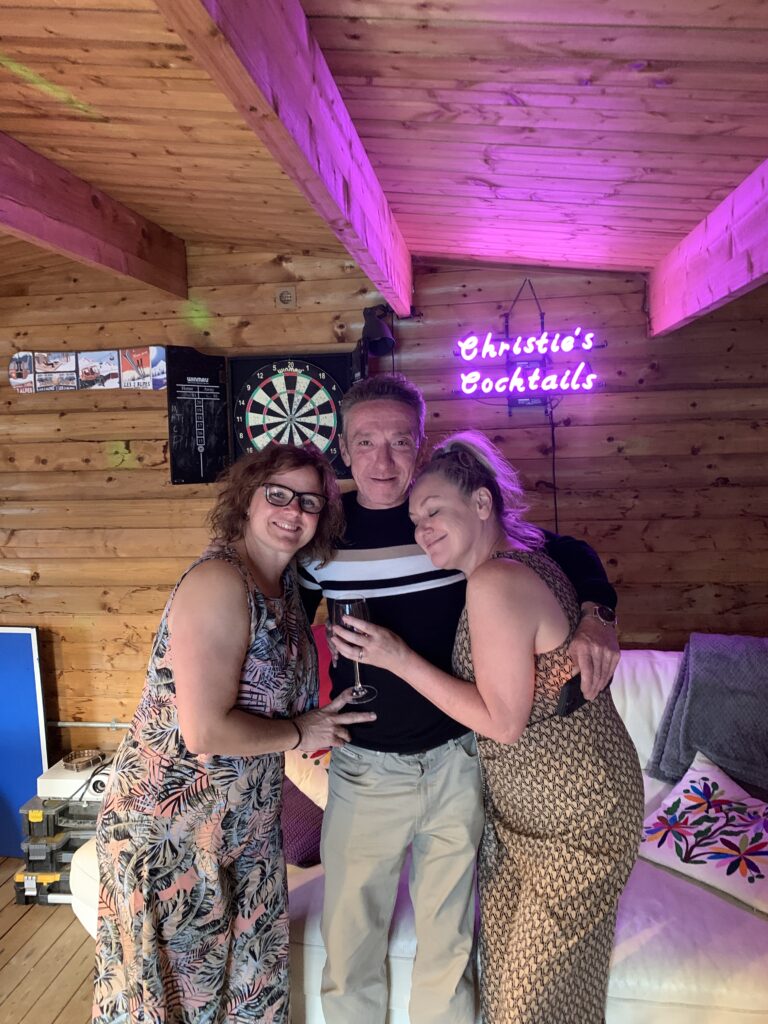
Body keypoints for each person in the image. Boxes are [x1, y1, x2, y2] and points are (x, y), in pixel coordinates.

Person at [297, 375, 621, 1024]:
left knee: (449, 948)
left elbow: (564, 549)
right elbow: (282, 631)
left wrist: (598, 612)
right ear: (344, 449)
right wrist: (297, 722)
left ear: (420, 446)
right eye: (366, 442)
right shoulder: (322, 538)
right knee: (350, 948)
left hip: (459, 762)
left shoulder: (450, 516)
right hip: (366, 769)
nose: (382, 460)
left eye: (399, 442)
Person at [92, 444, 375, 1024]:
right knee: (182, 1007)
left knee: (250, 1002)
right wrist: (301, 732)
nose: (293, 511)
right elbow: (204, 729)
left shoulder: (287, 589)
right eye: (278, 495)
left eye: (310, 502)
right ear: (246, 499)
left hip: (244, 834)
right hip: (173, 836)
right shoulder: (220, 581)